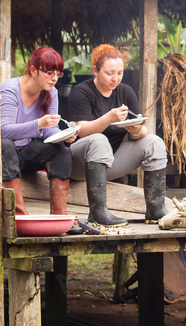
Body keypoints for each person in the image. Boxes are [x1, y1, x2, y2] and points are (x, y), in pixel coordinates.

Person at [64, 45, 168, 225]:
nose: (115, 78)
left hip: (110, 160)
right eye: (110, 73)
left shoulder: (125, 91)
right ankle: (98, 213)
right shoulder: (81, 92)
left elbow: (140, 130)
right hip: (79, 164)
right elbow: (80, 131)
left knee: (154, 142)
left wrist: (136, 130)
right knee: (98, 139)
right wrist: (109, 118)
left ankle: (156, 209)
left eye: (120, 73)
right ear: (96, 71)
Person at [0, 47, 76, 216]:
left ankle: (60, 216)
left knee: (60, 150)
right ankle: (18, 216)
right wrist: (39, 123)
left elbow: (49, 131)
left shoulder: (51, 92)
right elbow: (2, 131)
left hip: (18, 154)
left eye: (58, 73)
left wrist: (65, 137)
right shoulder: (10, 90)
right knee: (6, 144)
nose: (54, 78)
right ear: (33, 70)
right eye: (49, 73)